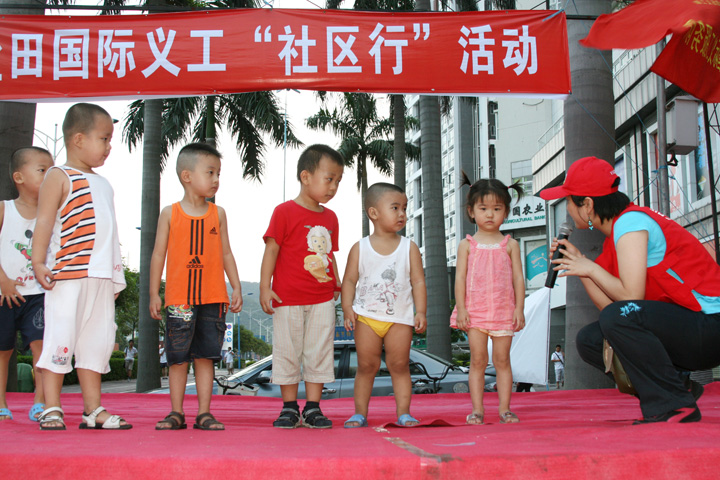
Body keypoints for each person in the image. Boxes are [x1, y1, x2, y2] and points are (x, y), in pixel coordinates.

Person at [540, 156, 720, 424]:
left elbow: (630, 299)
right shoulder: (615, 240)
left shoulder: (631, 222)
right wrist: (580, 268)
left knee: (619, 316)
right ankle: (677, 387)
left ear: (587, 205)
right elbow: (611, 312)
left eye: (568, 200)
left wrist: (589, 268)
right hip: (686, 329)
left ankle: (673, 405)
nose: (566, 208)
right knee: (590, 339)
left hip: (709, 325)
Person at [33, 103, 130, 430]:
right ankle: (52, 407)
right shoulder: (59, 176)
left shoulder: (104, 184)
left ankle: (93, 410)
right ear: (77, 139)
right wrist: (37, 261)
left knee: (96, 345)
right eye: (103, 138)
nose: (108, 147)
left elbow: (111, 232)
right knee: (60, 338)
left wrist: (116, 278)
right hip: (68, 278)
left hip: (102, 280)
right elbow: (44, 221)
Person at [150, 143, 243, 431]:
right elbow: (158, 254)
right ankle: (176, 413)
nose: (216, 179)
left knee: (206, 357)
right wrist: (154, 293)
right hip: (179, 299)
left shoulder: (219, 214)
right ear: (187, 176)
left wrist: (236, 287)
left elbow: (226, 252)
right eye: (210, 172)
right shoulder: (170, 213)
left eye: (218, 173)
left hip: (213, 298)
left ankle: (204, 413)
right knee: (178, 358)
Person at [260, 144, 344, 429]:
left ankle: (313, 408)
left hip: (322, 299)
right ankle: (288, 408)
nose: (333, 187)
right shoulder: (283, 212)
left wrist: (337, 283)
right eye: (328, 179)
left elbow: (329, 254)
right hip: (287, 297)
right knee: (288, 350)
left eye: (337, 181)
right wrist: (264, 286)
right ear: (306, 177)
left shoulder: (331, 218)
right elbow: (271, 250)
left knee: (319, 350)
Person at [341, 183, 427, 428]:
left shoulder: (409, 247)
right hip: (366, 317)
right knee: (367, 366)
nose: (402, 213)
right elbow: (349, 280)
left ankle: (404, 413)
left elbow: (418, 281)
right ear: (374, 213)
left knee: (399, 365)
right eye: (395, 208)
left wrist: (420, 311)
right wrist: (347, 307)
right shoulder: (360, 248)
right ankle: (359, 413)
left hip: (399, 317)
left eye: (404, 208)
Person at [450, 173, 526, 425]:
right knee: (478, 360)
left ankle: (505, 409)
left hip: (504, 311)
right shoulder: (467, 244)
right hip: (475, 312)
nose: (490, 214)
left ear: (506, 211)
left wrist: (519, 309)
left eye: (497, 208)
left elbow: (518, 279)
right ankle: (477, 410)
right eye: (483, 208)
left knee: (502, 360)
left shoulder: (510, 244)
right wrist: (461, 309)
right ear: (471, 211)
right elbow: (459, 279)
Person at [0, 147, 53, 422]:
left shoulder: (54, 216)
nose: (50, 175)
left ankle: (40, 402)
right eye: (42, 170)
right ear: (19, 177)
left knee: (40, 347)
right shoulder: (4, 209)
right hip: (5, 295)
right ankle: (1, 404)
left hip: (39, 295)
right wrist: (3, 281)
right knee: (3, 351)